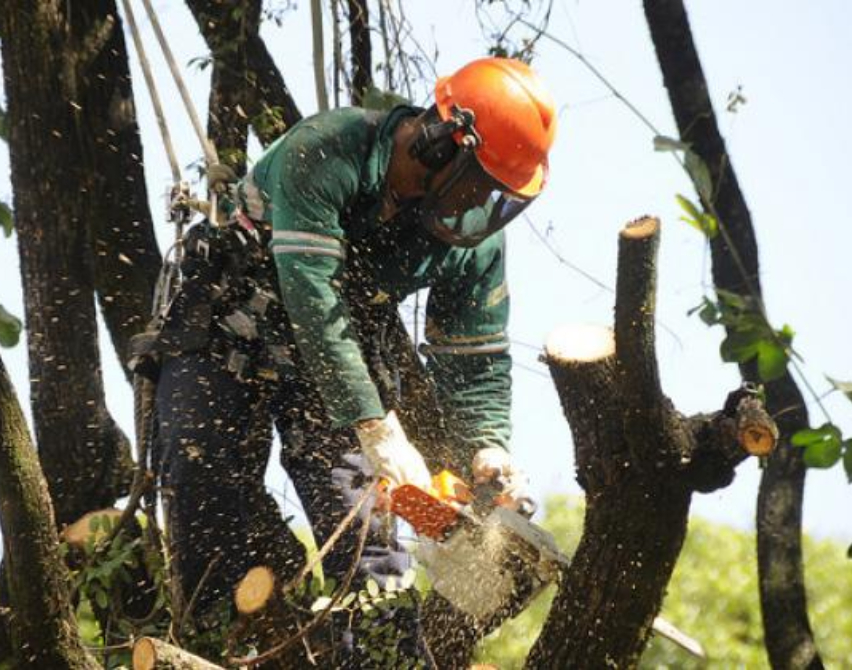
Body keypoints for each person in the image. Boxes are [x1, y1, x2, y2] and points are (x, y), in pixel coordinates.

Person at [140, 56, 556, 662]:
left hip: (335, 362)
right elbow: (313, 295)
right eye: (478, 182)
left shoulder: (474, 240)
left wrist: (488, 448)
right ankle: (221, 639)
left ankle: (385, 654)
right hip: (232, 329)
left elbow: (476, 359)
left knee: (365, 531)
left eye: (498, 194)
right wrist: (376, 427)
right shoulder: (330, 148)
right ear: (441, 143)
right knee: (201, 477)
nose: (480, 203)